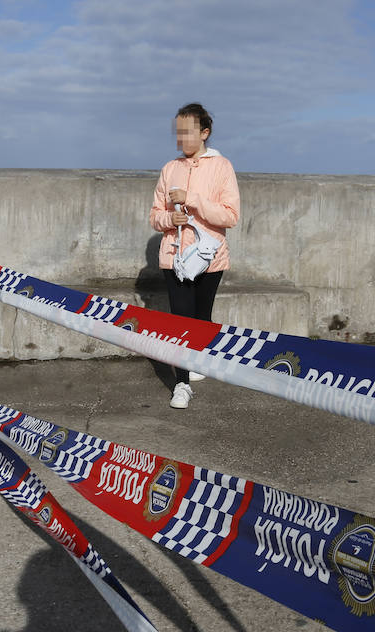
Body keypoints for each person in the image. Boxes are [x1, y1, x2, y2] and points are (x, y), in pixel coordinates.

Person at [149, 102, 241, 409]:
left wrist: (193, 200)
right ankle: (182, 384)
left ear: (204, 133)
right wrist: (168, 220)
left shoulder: (222, 167)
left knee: (202, 320)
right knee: (181, 323)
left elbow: (230, 216)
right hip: (174, 258)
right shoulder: (169, 169)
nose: (181, 139)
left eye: (187, 132)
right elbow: (155, 216)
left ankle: (198, 360)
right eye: (178, 132)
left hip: (210, 258)